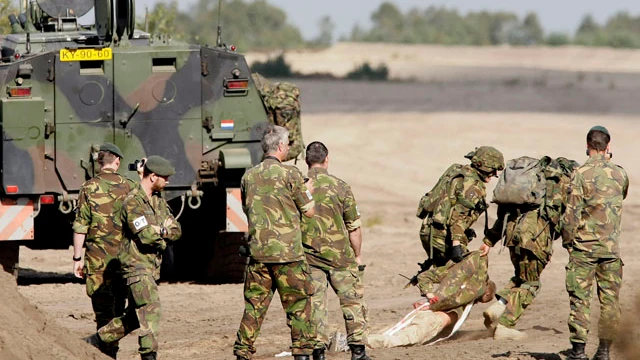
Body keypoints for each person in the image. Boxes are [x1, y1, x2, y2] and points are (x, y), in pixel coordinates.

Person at [85, 155, 182, 360]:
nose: (168, 181)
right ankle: (149, 355)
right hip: (135, 266)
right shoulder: (132, 202)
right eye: (165, 177)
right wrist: (162, 234)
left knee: (135, 316)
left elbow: (176, 230)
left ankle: (99, 340)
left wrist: (161, 231)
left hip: (151, 266)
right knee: (150, 307)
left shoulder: (158, 202)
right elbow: (146, 236)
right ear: (153, 176)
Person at [233, 125, 317, 360]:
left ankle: (242, 352)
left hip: (258, 254)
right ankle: (301, 353)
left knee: (254, 307)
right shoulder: (291, 174)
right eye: (288, 144)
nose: (289, 147)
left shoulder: (248, 176)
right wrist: (307, 190)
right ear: (280, 147)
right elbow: (309, 211)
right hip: (288, 256)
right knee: (299, 307)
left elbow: (247, 209)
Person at [561, 126, 629, 360]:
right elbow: (622, 194)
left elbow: (570, 216)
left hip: (584, 250)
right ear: (608, 146)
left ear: (588, 145)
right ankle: (604, 352)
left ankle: (578, 352)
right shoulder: (620, 173)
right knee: (610, 303)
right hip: (610, 251)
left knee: (580, 300)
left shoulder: (579, 174)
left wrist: (569, 242)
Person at [301, 142, 369, 360]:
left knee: (315, 304)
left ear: (306, 161)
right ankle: (358, 351)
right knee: (351, 301)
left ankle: (318, 352)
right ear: (327, 159)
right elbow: (354, 227)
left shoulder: (299, 187)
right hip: (341, 257)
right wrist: (357, 256)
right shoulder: (341, 187)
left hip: (309, 257)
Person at [72, 142, 136, 359]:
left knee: (103, 314)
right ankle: (111, 350)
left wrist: (76, 258)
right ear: (117, 162)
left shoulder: (87, 188)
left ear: (99, 163)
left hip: (97, 263)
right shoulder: (130, 186)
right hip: (123, 261)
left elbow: (81, 226)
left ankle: (107, 354)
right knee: (119, 311)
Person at [368, 251, 496, 348]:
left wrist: (429, 296)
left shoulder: (454, 273)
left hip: (425, 313)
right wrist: (431, 305)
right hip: (432, 319)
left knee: (391, 331)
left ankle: (359, 341)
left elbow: (425, 277)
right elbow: (449, 314)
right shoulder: (467, 297)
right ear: (486, 293)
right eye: (480, 300)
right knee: (396, 339)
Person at [419, 146, 504, 267]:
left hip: (428, 230)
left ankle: (429, 277)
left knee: (445, 272)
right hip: (442, 237)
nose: (494, 175)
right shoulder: (473, 186)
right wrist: (456, 245)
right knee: (471, 272)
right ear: (483, 167)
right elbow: (458, 216)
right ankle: (426, 279)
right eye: (493, 170)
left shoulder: (459, 172)